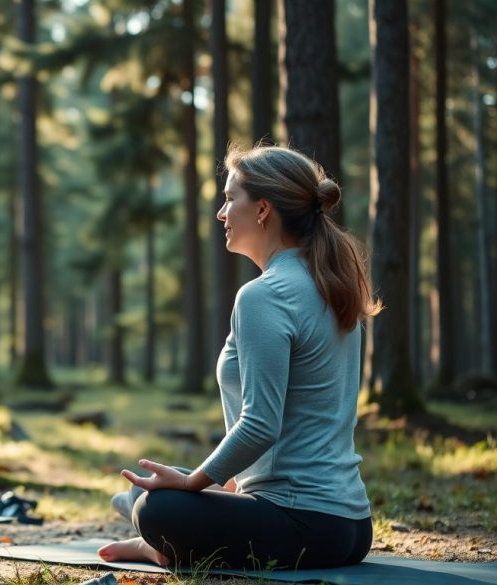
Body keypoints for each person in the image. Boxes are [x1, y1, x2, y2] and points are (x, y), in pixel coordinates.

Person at [102, 145, 379, 571]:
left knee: (156, 510)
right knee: (153, 489)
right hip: (351, 526)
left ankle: (156, 545)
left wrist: (195, 483)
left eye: (231, 198)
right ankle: (157, 519)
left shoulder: (264, 296)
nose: (221, 212)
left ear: (263, 210)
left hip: (300, 524)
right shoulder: (330, 283)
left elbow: (260, 425)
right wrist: (211, 486)